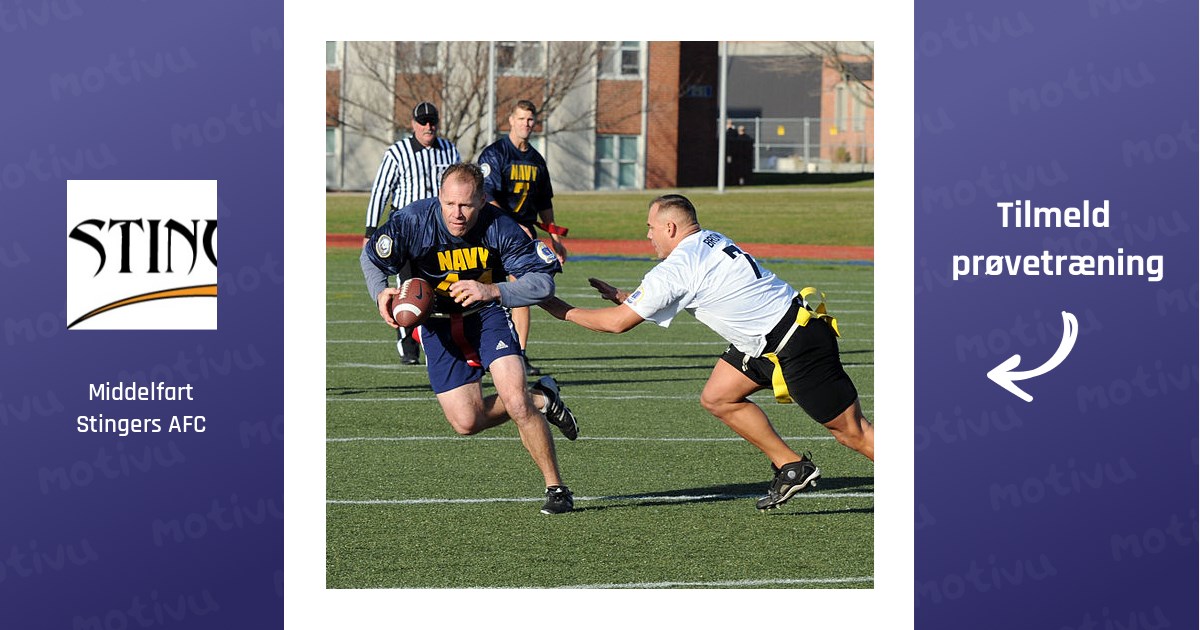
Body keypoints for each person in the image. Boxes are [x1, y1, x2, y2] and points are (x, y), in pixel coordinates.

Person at [539, 194, 873, 511]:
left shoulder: (676, 267)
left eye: (650, 227)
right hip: (770, 337)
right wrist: (626, 296)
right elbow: (686, 287)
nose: (648, 236)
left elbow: (616, 325)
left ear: (670, 228)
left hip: (795, 345)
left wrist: (559, 309)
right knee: (718, 397)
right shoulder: (709, 239)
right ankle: (790, 466)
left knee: (853, 432)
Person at [361, 163, 579, 514]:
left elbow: (543, 284)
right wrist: (379, 292)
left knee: (515, 401)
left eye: (465, 205)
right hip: (437, 324)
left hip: (487, 316)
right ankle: (543, 396)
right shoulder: (413, 220)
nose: (457, 214)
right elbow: (371, 256)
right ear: (439, 197)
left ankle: (557, 488)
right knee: (466, 423)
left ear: (481, 200)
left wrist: (491, 289)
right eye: (449, 203)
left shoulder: (500, 225)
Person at [364, 101, 462, 365]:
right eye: (423, 121)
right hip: (406, 230)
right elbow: (380, 193)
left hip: (441, 230)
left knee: (441, 284)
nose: (428, 126)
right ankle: (408, 344)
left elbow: (461, 184)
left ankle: (443, 341)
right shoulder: (397, 152)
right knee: (407, 286)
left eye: (432, 121)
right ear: (413, 124)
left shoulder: (449, 150)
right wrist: (370, 231)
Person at [477, 99, 565, 376]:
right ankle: (477, 349)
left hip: (523, 238)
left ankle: (520, 353)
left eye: (530, 119)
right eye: (521, 118)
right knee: (481, 289)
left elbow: (544, 203)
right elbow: (486, 198)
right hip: (490, 231)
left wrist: (556, 237)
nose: (526, 124)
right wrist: (514, 225)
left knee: (522, 291)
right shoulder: (494, 154)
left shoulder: (537, 160)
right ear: (510, 121)